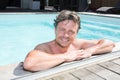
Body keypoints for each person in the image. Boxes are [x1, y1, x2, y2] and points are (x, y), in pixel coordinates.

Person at [23, 10, 115, 72]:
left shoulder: (78, 44)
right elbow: (29, 63)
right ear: (55, 29)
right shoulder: (44, 48)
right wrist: (66, 57)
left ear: (77, 33)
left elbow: (109, 44)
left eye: (71, 32)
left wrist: (90, 51)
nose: (66, 35)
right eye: (62, 30)